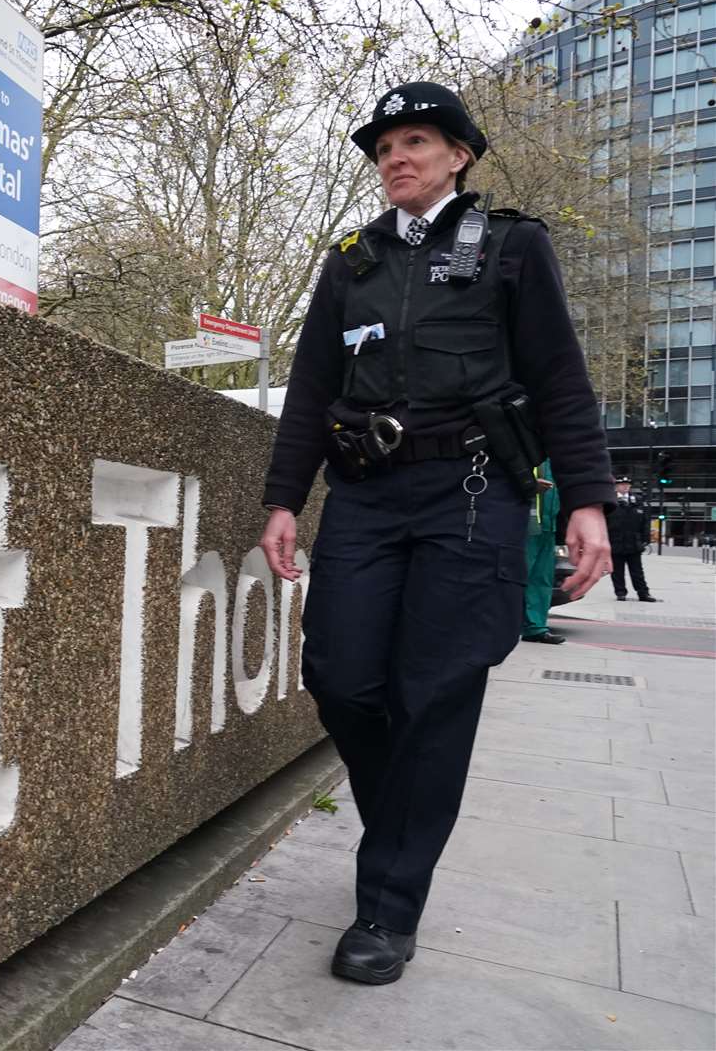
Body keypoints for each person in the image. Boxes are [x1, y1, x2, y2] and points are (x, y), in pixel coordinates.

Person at [257, 82, 614, 986]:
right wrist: (283, 499)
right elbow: (308, 392)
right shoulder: (351, 262)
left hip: (472, 494)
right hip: (368, 495)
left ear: (459, 154)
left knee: (434, 694)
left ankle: (388, 902)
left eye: (415, 141)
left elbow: (561, 380)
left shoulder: (511, 247)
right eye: (383, 149)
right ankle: (403, 833)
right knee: (338, 676)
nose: (396, 159)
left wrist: (587, 501)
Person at [522, 461, 565, 644]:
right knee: (517, 577)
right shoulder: (531, 450)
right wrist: (529, 484)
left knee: (542, 579)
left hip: (548, 527)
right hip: (525, 526)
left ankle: (535, 627)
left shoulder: (555, 455)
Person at [606, 476, 659, 601]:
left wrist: (645, 540)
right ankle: (620, 592)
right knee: (617, 571)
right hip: (616, 541)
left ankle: (643, 593)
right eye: (622, 484)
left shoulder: (638, 501)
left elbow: (645, 522)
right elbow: (604, 522)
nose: (625, 486)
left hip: (634, 543)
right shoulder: (610, 501)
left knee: (637, 571)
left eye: (627, 484)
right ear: (616, 486)